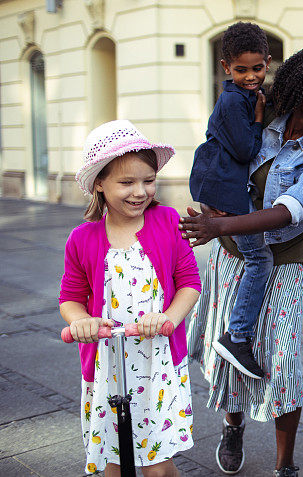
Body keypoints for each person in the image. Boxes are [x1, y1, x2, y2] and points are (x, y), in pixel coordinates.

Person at [181, 45, 303, 476]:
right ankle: (233, 427)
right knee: (230, 353)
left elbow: (292, 208)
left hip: (284, 260)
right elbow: (222, 155)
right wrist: (211, 208)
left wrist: (221, 226)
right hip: (233, 256)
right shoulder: (261, 116)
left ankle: (284, 466)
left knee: (281, 363)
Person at [59, 120, 201, 477]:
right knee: (111, 461)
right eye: (127, 182)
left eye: (148, 180)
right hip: (107, 364)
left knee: (157, 464)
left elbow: (190, 283)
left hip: (158, 362)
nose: (140, 191)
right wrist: (82, 322)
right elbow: (70, 298)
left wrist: (168, 316)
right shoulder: (82, 239)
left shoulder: (168, 222)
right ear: (100, 185)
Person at [189, 21, 270, 380]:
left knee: (247, 255)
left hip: (221, 182)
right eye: (241, 70)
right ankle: (236, 335)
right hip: (222, 184)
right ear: (226, 68)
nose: (251, 76)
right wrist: (256, 119)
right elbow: (245, 149)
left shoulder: (243, 95)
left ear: (267, 62)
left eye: (257, 68)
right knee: (259, 258)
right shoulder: (235, 101)